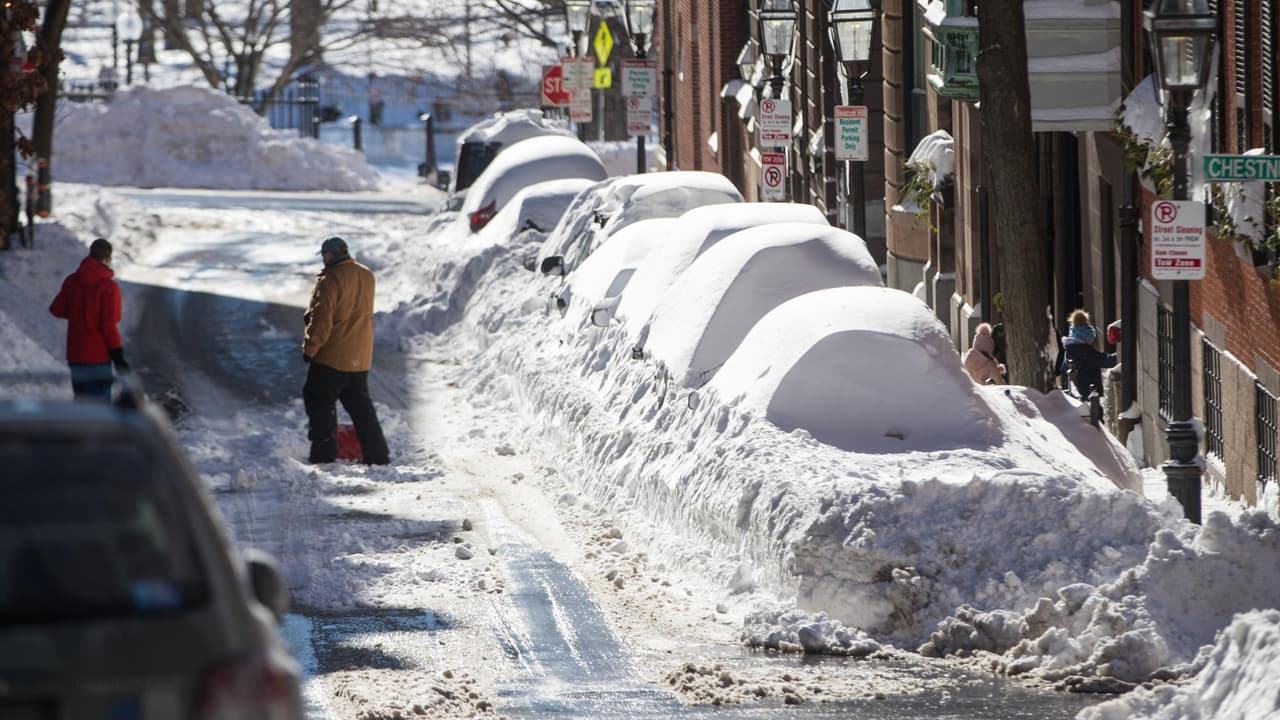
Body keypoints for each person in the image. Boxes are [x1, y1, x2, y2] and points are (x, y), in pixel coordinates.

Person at [302, 236, 390, 465]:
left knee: (319, 403)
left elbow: (322, 320)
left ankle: (323, 454)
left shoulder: (331, 279)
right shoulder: (366, 274)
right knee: (362, 410)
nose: (324, 259)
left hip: (332, 355)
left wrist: (311, 348)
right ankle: (377, 455)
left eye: (325, 254)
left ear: (331, 255)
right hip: (360, 357)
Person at [49, 238, 129, 400]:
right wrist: (117, 354)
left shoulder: (72, 281)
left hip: (75, 354)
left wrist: (79, 312)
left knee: (82, 405)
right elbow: (108, 324)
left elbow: (56, 309)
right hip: (98, 356)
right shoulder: (109, 287)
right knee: (100, 409)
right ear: (107, 259)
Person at [1059, 309, 1117, 398]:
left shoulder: (1070, 351)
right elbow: (1107, 361)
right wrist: (1122, 356)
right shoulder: (1085, 353)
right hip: (1088, 400)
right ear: (1086, 337)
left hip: (1076, 399)